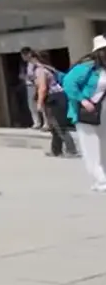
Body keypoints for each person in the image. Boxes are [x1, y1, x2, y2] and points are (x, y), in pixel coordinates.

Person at [61, 36, 106, 192]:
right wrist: (82, 100)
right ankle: (100, 179)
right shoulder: (86, 68)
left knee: (103, 146)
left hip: (103, 112)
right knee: (91, 147)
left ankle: (102, 176)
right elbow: (68, 83)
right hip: (87, 113)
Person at [33, 53, 77, 159]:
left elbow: (42, 87)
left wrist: (39, 103)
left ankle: (71, 150)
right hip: (59, 96)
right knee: (54, 125)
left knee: (59, 125)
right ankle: (56, 150)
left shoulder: (40, 70)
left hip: (53, 98)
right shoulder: (50, 68)